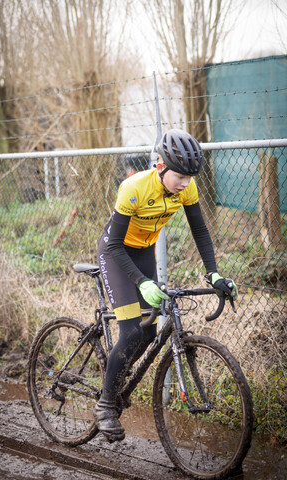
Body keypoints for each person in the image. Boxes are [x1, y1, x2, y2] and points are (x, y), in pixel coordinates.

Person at [94, 129, 238, 443]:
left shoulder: (187, 188)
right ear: (161, 167)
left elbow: (200, 230)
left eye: (191, 176)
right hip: (116, 252)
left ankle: (115, 376)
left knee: (148, 331)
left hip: (144, 252)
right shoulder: (133, 188)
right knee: (131, 331)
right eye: (181, 176)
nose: (186, 182)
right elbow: (116, 245)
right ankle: (105, 405)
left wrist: (213, 273)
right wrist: (142, 282)